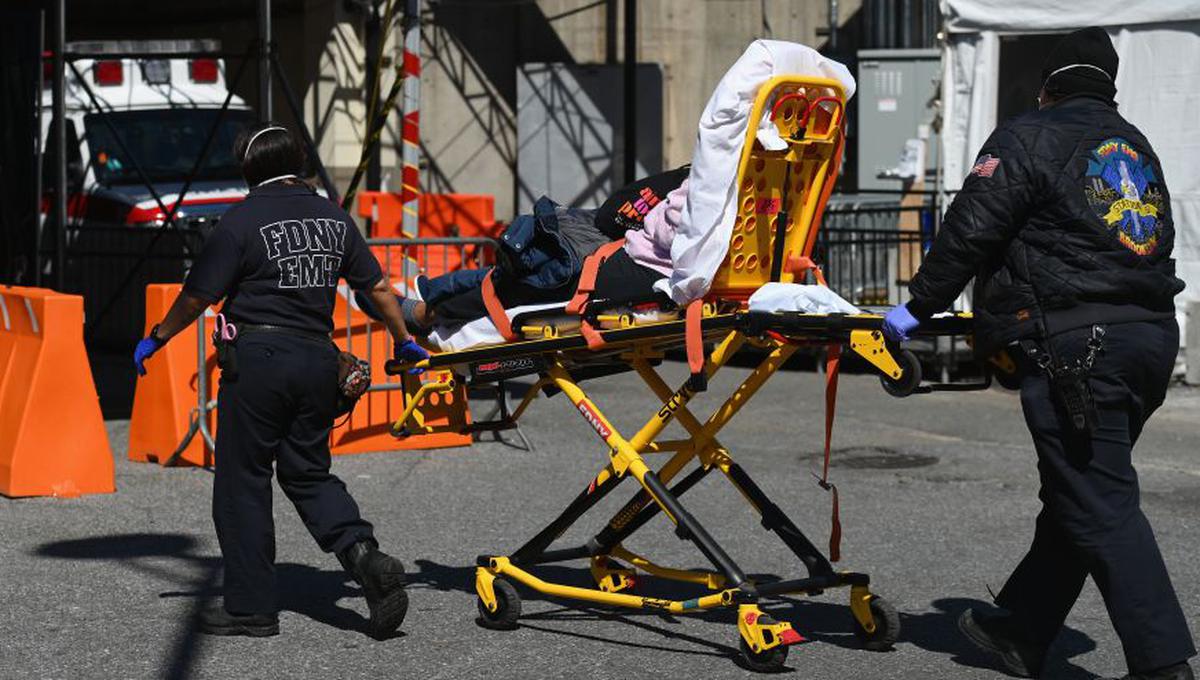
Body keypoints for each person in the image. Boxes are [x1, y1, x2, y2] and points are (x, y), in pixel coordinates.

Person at [882, 28, 1193, 680]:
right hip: (1149, 341)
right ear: (1109, 87)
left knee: (1099, 500)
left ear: (1048, 85)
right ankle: (1022, 630)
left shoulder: (1029, 135)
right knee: (1081, 488)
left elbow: (971, 227)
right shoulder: (1136, 147)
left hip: (1076, 347)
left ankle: (1165, 666)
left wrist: (912, 312)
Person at [132, 123, 430, 638]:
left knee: (243, 482)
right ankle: (365, 559)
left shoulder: (240, 221)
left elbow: (198, 297)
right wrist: (404, 340)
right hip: (318, 360)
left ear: (250, 169)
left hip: (259, 362)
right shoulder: (335, 220)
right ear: (299, 162)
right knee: (308, 473)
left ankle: (250, 608)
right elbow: (377, 286)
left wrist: (157, 336)